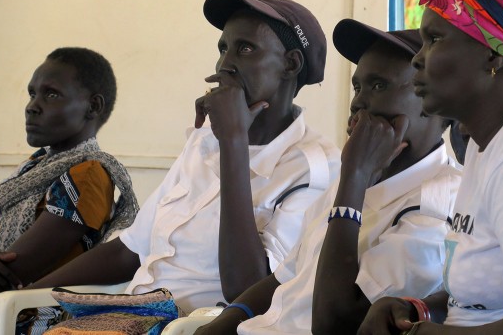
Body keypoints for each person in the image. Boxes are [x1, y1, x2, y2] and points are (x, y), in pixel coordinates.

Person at [30, 0, 340, 315]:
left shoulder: (314, 167)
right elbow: (131, 250)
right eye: (222, 48)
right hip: (131, 314)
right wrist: (17, 294)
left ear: (290, 65)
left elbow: (247, 291)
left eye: (245, 49)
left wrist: (234, 143)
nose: (225, 64)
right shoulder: (205, 138)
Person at [194, 19, 462, 335]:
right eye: (357, 87)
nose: (357, 103)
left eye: (378, 86)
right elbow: (285, 276)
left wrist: (354, 177)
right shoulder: (361, 177)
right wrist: (226, 321)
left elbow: (334, 323)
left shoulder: (434, 211)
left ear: (429, 103)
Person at [357, 0, 503, 334]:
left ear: (494, 55)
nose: (418, 59)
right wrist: (419, 309)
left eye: (434, 38)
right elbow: (488, 301)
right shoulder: (490, 139)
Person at [0, 47, 138, 293]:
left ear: (93, 106)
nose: (32, 106)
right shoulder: (33, 170)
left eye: (51, 95)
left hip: (34, 319)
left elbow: (8, 272)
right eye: (32, 94)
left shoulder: (87, 175)